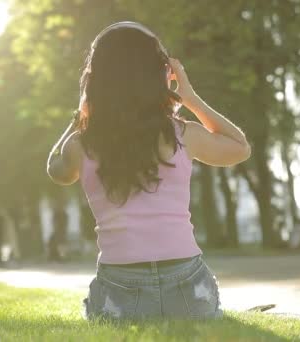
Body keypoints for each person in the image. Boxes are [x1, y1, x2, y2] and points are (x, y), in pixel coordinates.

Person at [46, 22, 251, 320]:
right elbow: (240, 147)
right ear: (161, 73)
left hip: (119, 291)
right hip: (188, 287)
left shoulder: (80, 145)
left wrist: (79, 115)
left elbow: (56, 170)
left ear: (96, 81)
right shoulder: (183, 134)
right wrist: (189, 97)